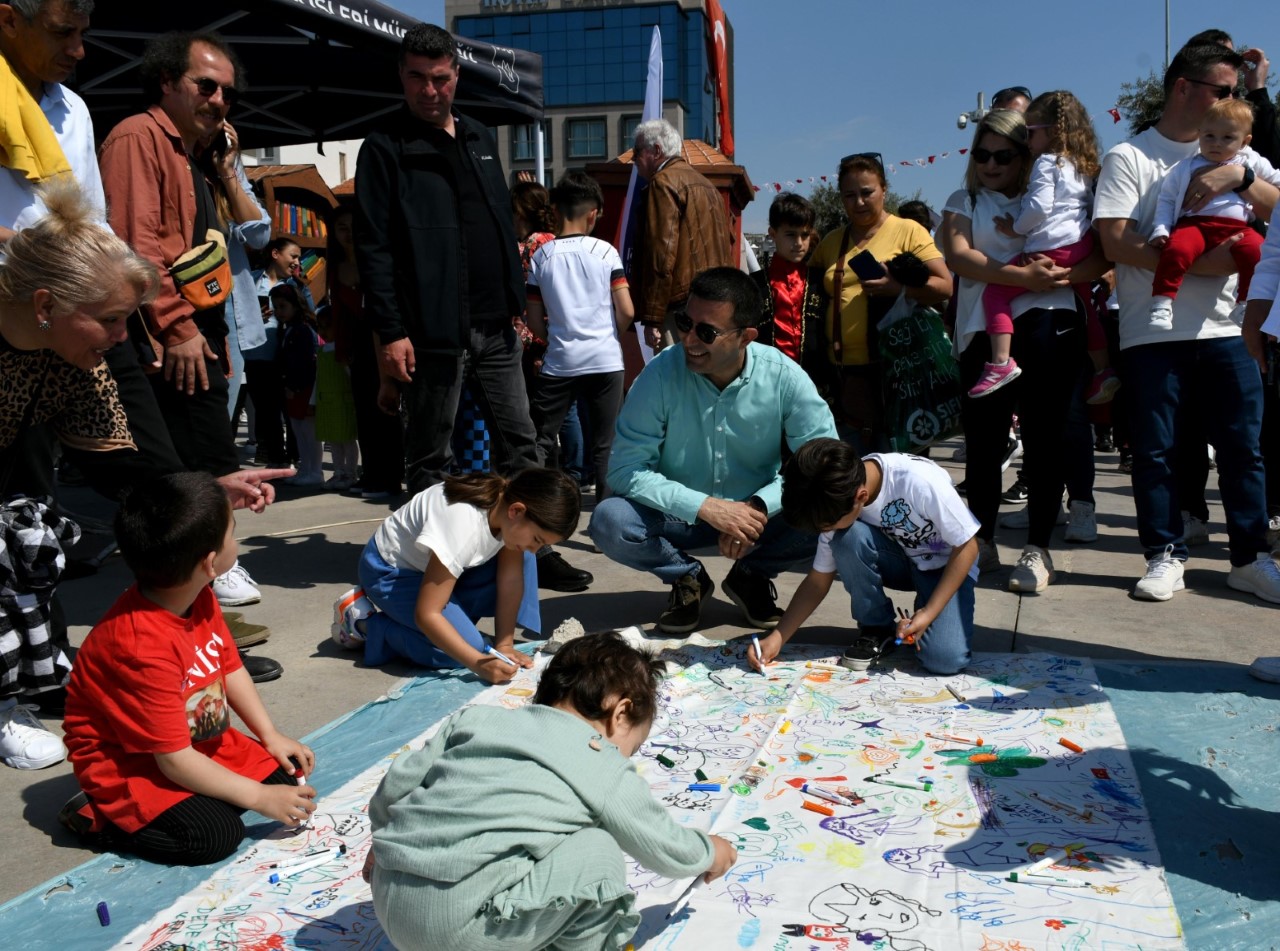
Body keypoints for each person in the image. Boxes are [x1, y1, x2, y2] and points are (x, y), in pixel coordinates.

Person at [0, 182, 287, 769]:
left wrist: (202, 492)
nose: (120, 338)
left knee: (24, 535)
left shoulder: (76, 355)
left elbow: (119, 463)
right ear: (45, 305)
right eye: (109, 320)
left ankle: (28, 681)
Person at [355, 24, 590, 593]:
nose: (429, 90)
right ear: (401, 76)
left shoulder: (480, 136)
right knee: (430, 457)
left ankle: (534, 552)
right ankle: (428, 566)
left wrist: (515, 300)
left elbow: (499, 224)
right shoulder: (385, 146)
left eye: (439, 78)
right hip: (430, 331)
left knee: (524, 445)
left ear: (456, 76)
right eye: (417, 77)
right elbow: (373, 247)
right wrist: (391, 330)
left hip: (496, 327)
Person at [365, 630, 737, 951]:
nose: (626, 757)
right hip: (457, 930)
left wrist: (383, 841)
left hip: (389, 901)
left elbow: (397, 783)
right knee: (597, 851)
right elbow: (663, 846)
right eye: (633, 747)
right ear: (620, 712)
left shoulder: (477, 720)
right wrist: (709, 852)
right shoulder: (600, 761)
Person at [1095, 43, 1280, 604]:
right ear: (1183, 87)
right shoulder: (1130, 156)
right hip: (1154, 331)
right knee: (1157, 452)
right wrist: (1204, 263)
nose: (1232, 101)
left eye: (1237, 93)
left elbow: (1276, 209)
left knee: (1243, 450)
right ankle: (1164, 554)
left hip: (1229, 329)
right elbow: (1114, 241)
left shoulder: (1243, 156)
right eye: (1223, 90)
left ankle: (1249, 559)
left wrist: (1239, 180)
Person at [98, 31, 273, 613]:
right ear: (167, 81)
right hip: (167, 339)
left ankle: (204, 602)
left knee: (203, 468)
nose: (219, 100)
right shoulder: (138, 137)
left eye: (227, 92)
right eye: (206, 86)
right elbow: (136, 244)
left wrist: (225, 168)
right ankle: (202, 590)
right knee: (194, 474)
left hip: (197, 335)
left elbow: (255, 232)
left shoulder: (191, 156)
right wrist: (177, 327)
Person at [60, 472, 316, 865]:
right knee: (215, 836)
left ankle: (208, 794)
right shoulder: (139, 649)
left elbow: (229, 666)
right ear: (211, 563)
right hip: (130, 762)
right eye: (233, 533)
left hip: (197, 739)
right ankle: (99, 817)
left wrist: (270, 735)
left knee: (288, 774)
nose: (236, 539)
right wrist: (258, 797)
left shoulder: (195, 594)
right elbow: (173, 760)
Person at [588, 267, 838, 634]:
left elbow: (825, 465)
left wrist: (757, 507)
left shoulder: (784, 377)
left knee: (833, 509)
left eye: (706, 332)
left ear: (745, 337)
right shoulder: (659, 374)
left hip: (759, 519)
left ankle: (752, 576)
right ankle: (687, 577)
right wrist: (706, 507)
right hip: (677, 516)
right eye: (684, 323)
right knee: (610, 522)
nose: (689, 339)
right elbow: (625, 469)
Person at [940, 108, 1107, 591]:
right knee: (984, 446)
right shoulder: (964, 200)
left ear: (1026, 153)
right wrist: (1021, 276)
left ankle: (1038, 549)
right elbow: (959, 257)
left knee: (1045, 439)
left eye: (1004, 155)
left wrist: (1055, 277)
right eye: (982, 154)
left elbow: (1099, 256)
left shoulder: (1060, 192)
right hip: (984, 334)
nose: (991, 164)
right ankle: (981, 542)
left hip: (1051, 326)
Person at [750, 438, 978, 675]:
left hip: (946, 567)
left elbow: (968, 546)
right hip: (899, 560)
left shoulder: (918, 481)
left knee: (944, 660)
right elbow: (817, 582)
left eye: (827, 525)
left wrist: (929, 612)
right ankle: (877, 629)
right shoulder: (835, 496)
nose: (825, 532)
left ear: (861, 497)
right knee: (847, 538)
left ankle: (930, 608)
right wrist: (778, 636)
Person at [333, 468, 580, 684]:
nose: (536, 549)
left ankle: (450, 625)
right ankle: (366, 625)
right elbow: (427, 614)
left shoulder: (507, 510)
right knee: (459, 652)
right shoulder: (462, 524)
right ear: (517, 511)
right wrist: (477, 664)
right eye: (537, 539)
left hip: (439, 571)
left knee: (523, 559)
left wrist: (504, 644)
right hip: (390, 572)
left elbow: (511, 581)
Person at [973, 91, 1118, 405]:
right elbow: (1090, 208)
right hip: (1079, 245)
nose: (1026, 141)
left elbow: (1039, 207)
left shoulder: (1046, 162)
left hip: (1051, 247)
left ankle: (1000, 362)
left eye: (1030, 132)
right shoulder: (1081, 164)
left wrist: (1016, 227)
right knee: (1086, 308)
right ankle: (1102, 370)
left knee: (995, 294)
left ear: (1052, 131)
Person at [807, 154, 951, 451]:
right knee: (852, 467)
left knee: (902, 464)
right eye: (849, 195)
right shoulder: (832, 242)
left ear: (884, 189)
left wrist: (899, 288)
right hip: (843, 378)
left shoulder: (908, 230)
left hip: (898, 373)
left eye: (867, 192)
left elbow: (945, 285)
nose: (859, 202)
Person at [525, 171, 633, 500]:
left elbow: (534, 319)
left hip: (560, 362)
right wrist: (609, 335)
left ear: (557, 210)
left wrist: (554, 338)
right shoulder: (606, 252)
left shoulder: (541, 256)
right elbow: (627, 310)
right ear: (593, 214)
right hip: (605, 361)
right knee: (605, 446)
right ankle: (606, 518)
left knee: (542, 440)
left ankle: (535, 509)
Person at [1148, 97, 1280, 329]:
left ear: (1244, 141)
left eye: (1227, 137)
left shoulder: (1250, 160)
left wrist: (1245, 177)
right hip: (1195, 225)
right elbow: (1167, 199)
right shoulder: (1185, 166)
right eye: (1209, 136)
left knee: (1257, 252)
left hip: (1238, 229)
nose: (1216, 143)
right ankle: (1161, 302)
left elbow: (1276, 181)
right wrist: (1161, 228)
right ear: (1199, 134)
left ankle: (1245, 304)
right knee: (1176, 250)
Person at [630, 117, 734, 351]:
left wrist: (652, 317)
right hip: (716, 303)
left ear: (656, 151)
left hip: (680, 309)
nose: (633, 159)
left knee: (676, 371)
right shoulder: (708, 186)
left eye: (637, 152)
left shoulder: (662, 183)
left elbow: (661, 255)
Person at [328, 207, 403, 500]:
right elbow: (337, 312)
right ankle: (371, 473)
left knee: (385, 410)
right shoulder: (336, 266)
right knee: (363, 412)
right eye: (341, 228)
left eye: (352, 226)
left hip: (382, 339)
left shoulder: (375, 262)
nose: (347, 233)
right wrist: (341, 349)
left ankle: (390, 477)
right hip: (355, 344)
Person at [246, 237, 310, 472]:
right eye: (293, 256)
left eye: (298, 258)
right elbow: (238, 312)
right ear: (275, 254)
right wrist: (254, 316)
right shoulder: (251, 280)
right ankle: (276, 456)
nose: (297, 262)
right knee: (265, 411)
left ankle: (295, 455)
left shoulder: (296, 285)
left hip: (285, 358)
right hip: (256, 356)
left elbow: (308, 314)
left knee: (289, 409)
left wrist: (302, 287)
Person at [750, 191, 823, 371]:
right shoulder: (754, 285)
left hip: (814, 378)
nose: (799, 243)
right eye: (790, 234)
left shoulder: (820, 281)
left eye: (805, 235)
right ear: (773, 234)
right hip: (767, 376)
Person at [272, 283, 322, 487]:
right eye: (276, 307)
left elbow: (306, 362)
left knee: (309, 432)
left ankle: (315, 471)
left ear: (295, 305)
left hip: (303, 388)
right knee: (298, 431)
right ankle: (306, 468)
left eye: (283, 306)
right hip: (292, 388)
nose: (279, 311)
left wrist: (295, 386)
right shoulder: (288, 329)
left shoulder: (303, 330)